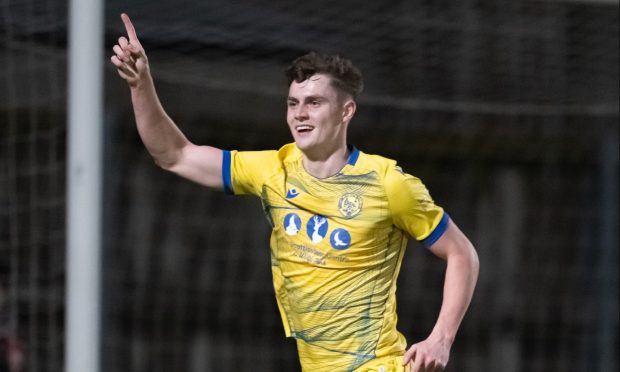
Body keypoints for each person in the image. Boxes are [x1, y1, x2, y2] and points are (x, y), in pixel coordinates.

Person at [111, 13, 479, 372]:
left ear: (346, 111)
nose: (300, 114)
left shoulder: (387, 184)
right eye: (293, 103)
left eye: (314, 103)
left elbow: (462, 254)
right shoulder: (272, 170)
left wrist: (440, 340)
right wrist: (140, 85)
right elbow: (174, 154)